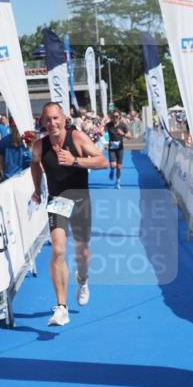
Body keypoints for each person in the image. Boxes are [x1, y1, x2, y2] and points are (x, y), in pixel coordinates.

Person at [30, 102, 108, 326]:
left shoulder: (77, 138)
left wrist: (75, 161)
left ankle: (82, 279)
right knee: (58, 250)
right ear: (42, 122)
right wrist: (37, 189)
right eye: (47, 119)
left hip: (80, 200)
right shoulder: (39, 146)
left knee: (82, 253)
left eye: (55, 118)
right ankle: (61, 307)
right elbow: (35, 165)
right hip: (57, 201)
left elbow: (102, 161)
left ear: (64, 119)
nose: (52, 123)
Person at [105, 111, 129, 189]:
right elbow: (104, 134)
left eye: (116, 116)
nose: (115, 118)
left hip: (120, 148)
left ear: (119, 117)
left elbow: (130, 136)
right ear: (111, 117)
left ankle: (117, 182)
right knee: (113, 165)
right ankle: (112, 170)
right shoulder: (109, 125)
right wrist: (104, 142)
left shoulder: (123, 125)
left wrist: (123, 134)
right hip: (112, 148)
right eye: (113, 116)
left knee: (119, 167)